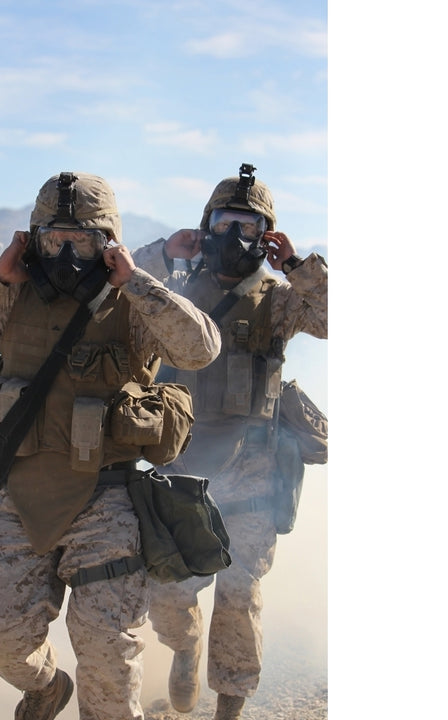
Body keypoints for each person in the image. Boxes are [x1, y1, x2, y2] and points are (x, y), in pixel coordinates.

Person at [0, 171, 221, 720]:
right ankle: (48, 686)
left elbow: (200, 350)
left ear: (110, 243)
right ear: (33, 238)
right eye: (56, 239)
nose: (69, 253)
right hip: (21, 494)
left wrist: (137, 282)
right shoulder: (9, 296)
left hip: (109, 498)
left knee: (109, 660)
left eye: (85, 240)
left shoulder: (133, 304)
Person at [132, 164, 328, 720]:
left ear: (266, 235)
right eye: (223, 222)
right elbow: (110, 292)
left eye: (248, 226)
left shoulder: (278, 299)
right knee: (168, 597)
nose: (233, 236)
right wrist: (162, 253)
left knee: (238, 595)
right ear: (205, 225)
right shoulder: (173, 289)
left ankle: (229, 708)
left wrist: (295, 267)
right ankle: (186, 646)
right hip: (179, 471)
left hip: (251, 474)